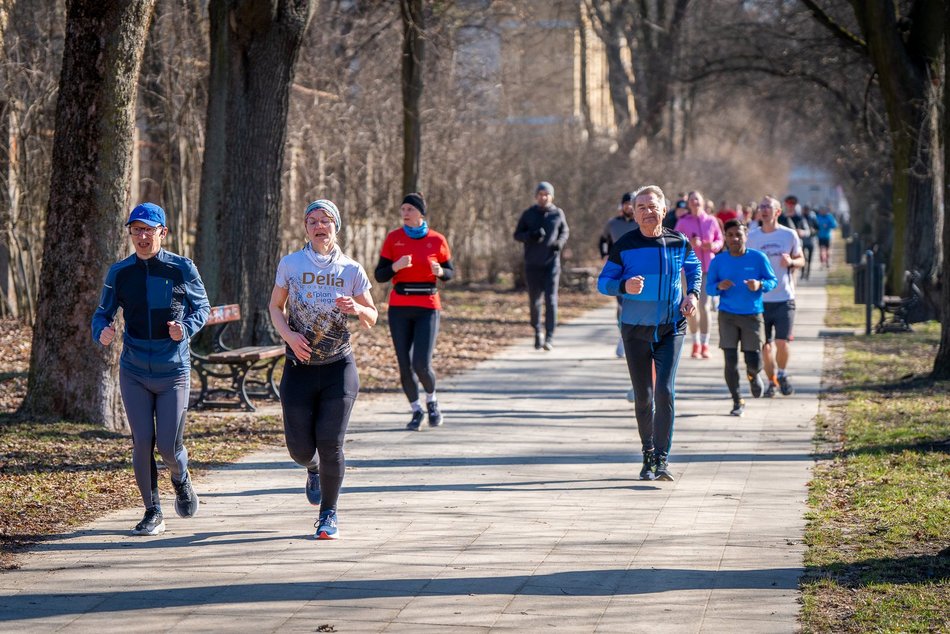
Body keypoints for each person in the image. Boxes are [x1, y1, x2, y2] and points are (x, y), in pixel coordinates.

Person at [92, 202, 210, 537]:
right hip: (133, 369)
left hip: (173, 369)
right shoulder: (120, 272)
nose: (142, 237)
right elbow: (102, 313)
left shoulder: (181, 268)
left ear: (162, 232)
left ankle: (180, 478)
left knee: (169, 447)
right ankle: (152, 511)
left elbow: (202, 307)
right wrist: (101, 331)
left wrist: (184, 328)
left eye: (148, 230)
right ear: (129, 233)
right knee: (142, 441)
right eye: (136, 230)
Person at [269, 199, 378, 540]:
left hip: (338, 368)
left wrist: (358, 306)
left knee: (331, 443)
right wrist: (288, 336)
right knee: (301, 450)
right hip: (299, 366)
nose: (319, 226)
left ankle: (328, 514)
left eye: (326, 221)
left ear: (336, 227)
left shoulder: (351, 269)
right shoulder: (291, 263)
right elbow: (275, 306)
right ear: (305, 228)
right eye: (313, 220)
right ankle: (312, 468)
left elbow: (373, 317)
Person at [598, 185, 701, 482]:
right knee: (643, 397)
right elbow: (603, 282)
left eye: (652, 206)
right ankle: (647, 453)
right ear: (633, 212)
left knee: (664, 390)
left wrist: (692, 295)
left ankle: (662, 459)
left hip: (671, 326)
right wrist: (623, 286)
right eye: (640, 207)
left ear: (664, 211)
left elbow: (694, 268)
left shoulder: (678, 241)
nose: (647, 211)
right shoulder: (625, 244)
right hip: (635, 329)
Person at [374, 193, 455, 431]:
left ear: (421, 213)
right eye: (403, 209)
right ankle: (416, 410)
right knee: (404, 365)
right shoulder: (394, 238)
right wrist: (394, 267)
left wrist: (440, 272)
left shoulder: (437, 240)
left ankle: (432, 401)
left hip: (428, 305)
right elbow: (380, 275)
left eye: (410, 209)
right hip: (400, 306)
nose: (405, 213)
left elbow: (450, 273)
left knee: (421, 362)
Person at [706, 219, 777, 416]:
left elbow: (772, 280)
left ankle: (754, 376)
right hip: (727, 315)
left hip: (752, 315)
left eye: (739, 234)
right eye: (730, 235)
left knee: (753, 360)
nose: (735, 239)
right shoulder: (718, 261)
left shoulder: (758, 258)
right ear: (725, 238)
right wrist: (718, 287)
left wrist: (760, 285)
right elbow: (709, 288)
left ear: (746, 235)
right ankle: (738, 400)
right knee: (730, 361)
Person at [747, 196, 804, 397]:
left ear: (777, 212)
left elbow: (801, 260)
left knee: (781, 342)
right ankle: (772, 382)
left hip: (784, 298)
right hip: (759, 300)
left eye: (768, 207)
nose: (764, 210)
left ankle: (782, 373)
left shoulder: (789, 235)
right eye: (761, 206)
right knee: (765, 347)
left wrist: (791, 262)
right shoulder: (752, 237)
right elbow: (746, 263)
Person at [513, 181, 570, 351]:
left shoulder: (558, 213)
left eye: (546, 194)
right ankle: (537, 331)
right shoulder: (528, 214)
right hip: (532, 264)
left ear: (551, 196)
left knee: (551, 300)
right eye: (540, 194)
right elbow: (517, 234)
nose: (543, 197)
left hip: (551, 264)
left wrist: (559, 243)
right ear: (536, 196)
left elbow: (565, 231)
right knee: (534, 301)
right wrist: (530, 236)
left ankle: (550, 336)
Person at [674, 190, 723, 358]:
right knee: (691, 307)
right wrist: (690, 244)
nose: (695, 202)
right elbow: (675, 242)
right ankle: (695, 343)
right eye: (692, 200)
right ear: (688, 204)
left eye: (697, 199)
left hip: (708, 269)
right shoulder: (683, 222)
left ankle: (705, 344)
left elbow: (720, 240)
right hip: (688, 270)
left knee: (705, 306)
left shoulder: (711, 221)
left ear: (703, 202)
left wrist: (712, 246)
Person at [599, 191, 639, 359]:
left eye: (631, 204)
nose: (628, 206)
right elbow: (602, 240)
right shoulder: (612, 223)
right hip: (618, 269)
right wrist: (604, 255)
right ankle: (624, 336)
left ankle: (634, 337)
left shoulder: (640, 223)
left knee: (635, 303)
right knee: (622, 304)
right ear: (622, 206)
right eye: (626, 204)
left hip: (637, 268)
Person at [799, 206, 818, 280]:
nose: (805, 211)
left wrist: (813, 231)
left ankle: (808, 274)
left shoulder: (813, 218)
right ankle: (802, 273)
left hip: (811, 241)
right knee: (803, 258)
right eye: (804, 210)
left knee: (809, 259)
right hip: (802, 242)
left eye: (807, 210)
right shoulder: (800, 218)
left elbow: (817, 228)